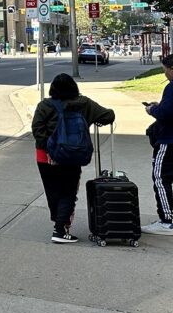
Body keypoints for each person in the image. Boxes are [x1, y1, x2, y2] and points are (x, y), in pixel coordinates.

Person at [31, 73, 115, 243]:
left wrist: (50, 151)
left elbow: (37, 129)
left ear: (53, 89)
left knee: (52, 191)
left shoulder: (44, 105)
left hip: (45, 157)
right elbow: (108, 116)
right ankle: (61, 228)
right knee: (68, 191)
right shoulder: (84, 104)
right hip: (73, 155)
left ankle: (59, 223)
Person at [141, 54, 173, 235]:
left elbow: (167, 114)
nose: (165, 75)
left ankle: (165, 221)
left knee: (161, 178)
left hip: (172, 140)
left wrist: (153, 109)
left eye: (165, 71)